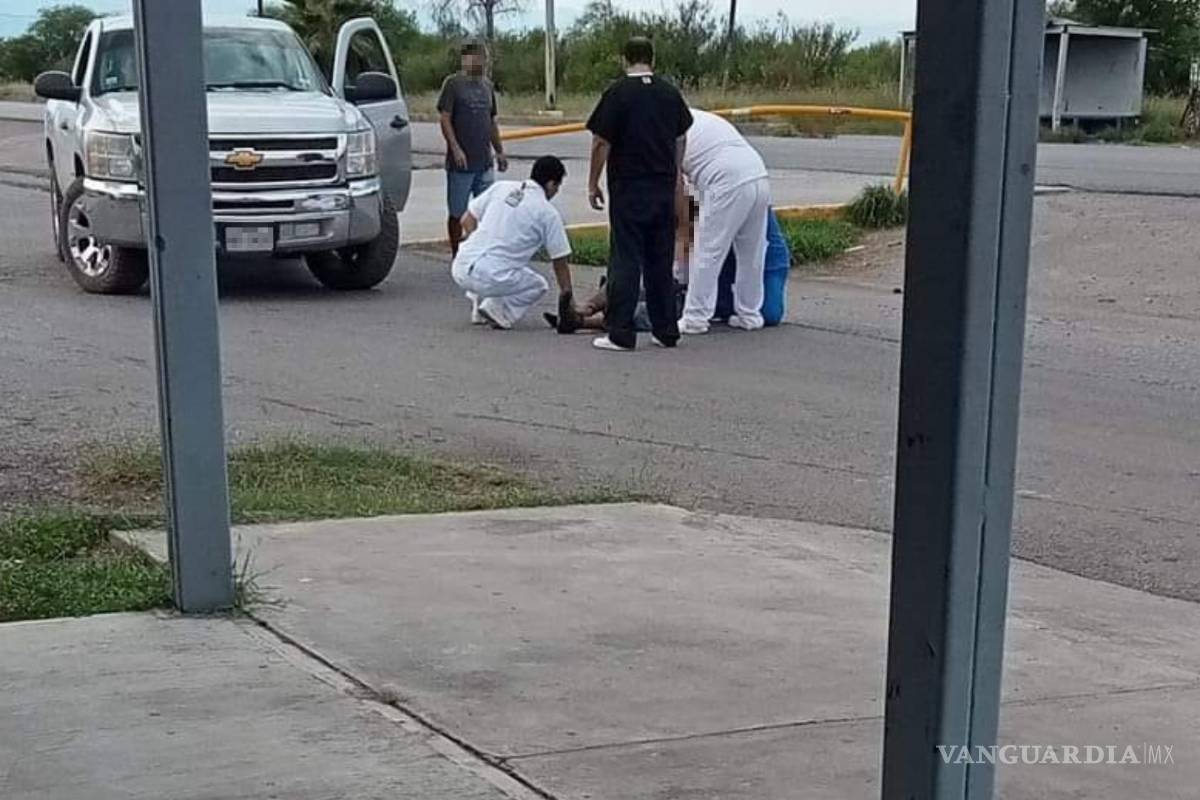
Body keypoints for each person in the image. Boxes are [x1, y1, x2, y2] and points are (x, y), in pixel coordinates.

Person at [585, 36, 692, 352]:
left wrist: (593, 182)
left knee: (626, 258)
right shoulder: (669, 93)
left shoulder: (617, 93)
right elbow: (681, 137)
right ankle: (665, 330)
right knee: (660, 258)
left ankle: (620, 332)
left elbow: (601, 142)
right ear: (652, 59)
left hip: (629, 188)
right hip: (662, 186)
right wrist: (675, 173)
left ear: (624, 59)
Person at [451, 156, 573, 330]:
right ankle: (498, 311)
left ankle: (478, 305)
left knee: (495, 264)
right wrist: (568, 298)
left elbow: (466, 220)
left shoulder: (501, 187)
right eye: (557, 186)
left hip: (460, 267)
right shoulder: (548, 213)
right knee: (538, 285)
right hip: (492, 277)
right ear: (551, 184)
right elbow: (560, 261)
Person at [677, 108, 771, 334]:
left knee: (708, 249)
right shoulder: (699, 117)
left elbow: (676, 183)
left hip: (725, 178)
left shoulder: (667, 123)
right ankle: (750, 314)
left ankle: (695, 317)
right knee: (752, 251)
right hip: (758, 173)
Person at [438, 41, 508, 258]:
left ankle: (481, 252)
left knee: (486, 211)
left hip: (484, 161)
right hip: (461, 164)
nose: (478, 62)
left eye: (482, 57)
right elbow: (445, 118)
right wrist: (455, 148)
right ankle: (456, 253)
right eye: (473, 57)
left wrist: (499, 151)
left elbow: (491, 121)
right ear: (464, 60)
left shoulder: (487, 86)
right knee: (457, 211)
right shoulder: (453, 84)